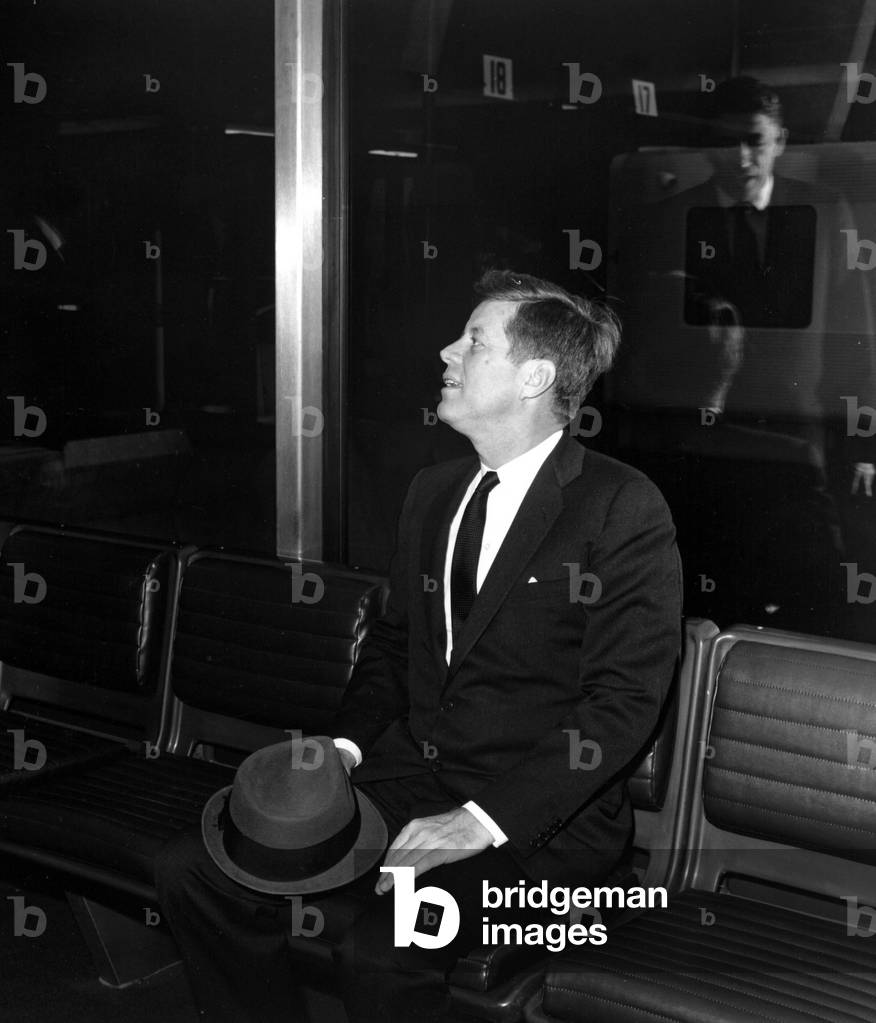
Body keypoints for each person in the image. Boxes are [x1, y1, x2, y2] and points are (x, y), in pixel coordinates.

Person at [155, 270, 682, 1023]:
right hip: (409, 783)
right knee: (195, 871)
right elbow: (393, 648)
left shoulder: (621, 506)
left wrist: (481, 819)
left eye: (472, 341)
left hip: (542, 834)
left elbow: (622, 708)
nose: (446, 352)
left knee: (381, 950)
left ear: (535, 376)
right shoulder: (433, 492)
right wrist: (341, 748)